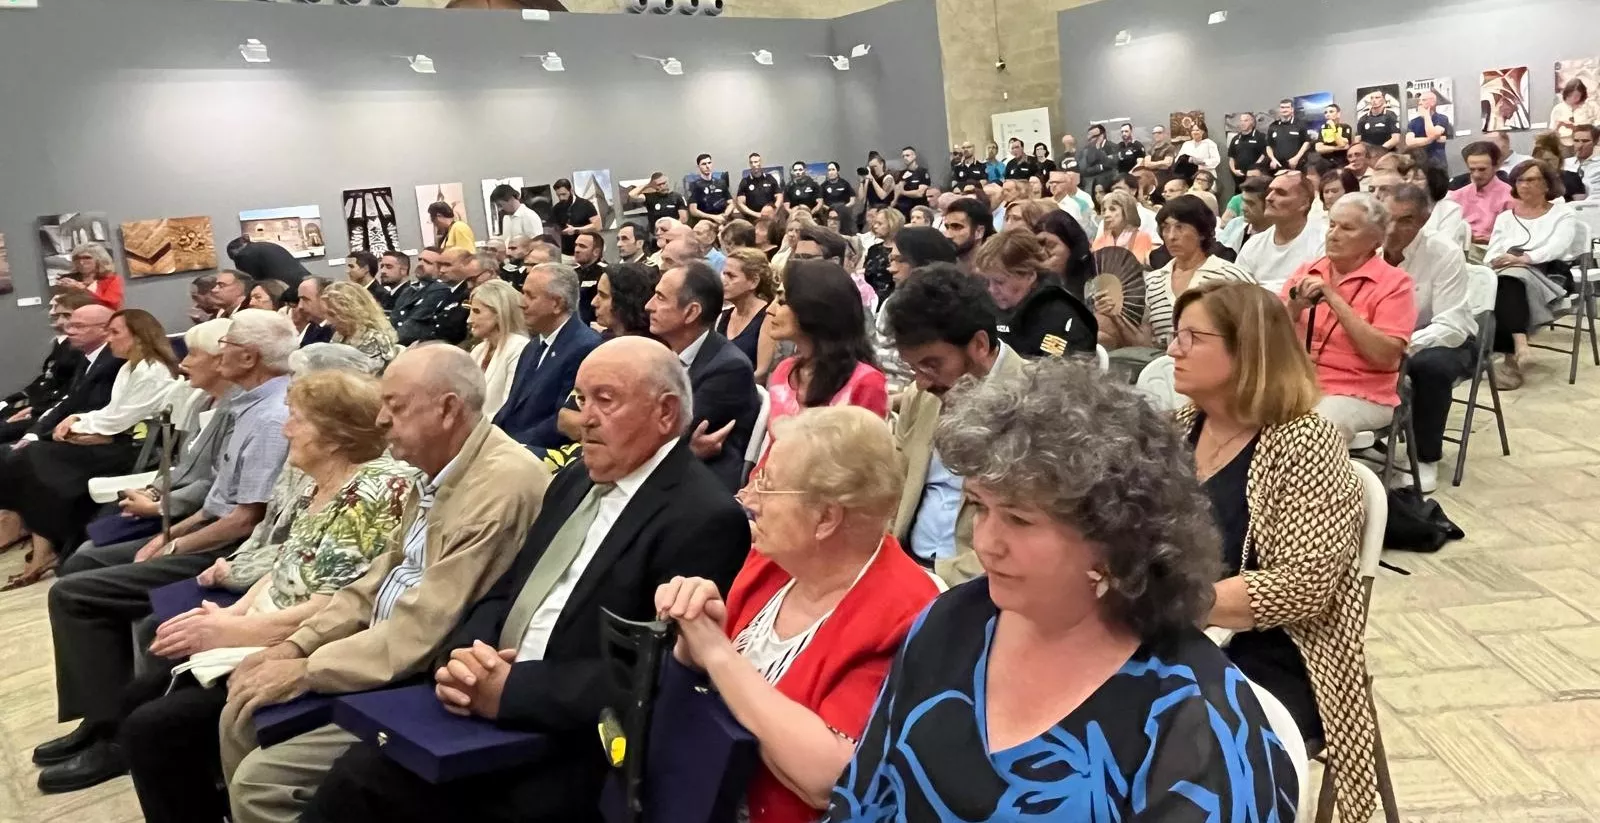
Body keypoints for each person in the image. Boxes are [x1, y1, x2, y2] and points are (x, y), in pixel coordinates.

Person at [826, 357, 1298, 822]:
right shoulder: (950, 621)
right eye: (980, 507)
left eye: (1019, 519)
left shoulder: (1194, 719)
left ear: (1115, 536)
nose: (986, 543)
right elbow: (865, 795)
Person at [301, 337, 750, 823]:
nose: (585, 419)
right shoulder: (576, 479)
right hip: (492, 698)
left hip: (575, 743)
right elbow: (507, 589)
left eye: (606, 400)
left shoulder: (703, 516)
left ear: (665, 414)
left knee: (367, 784)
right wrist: (470, 658)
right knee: (359, 770)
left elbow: (656, 671)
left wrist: (511, 690)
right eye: (580, 400)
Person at [220, 344, 551, 823]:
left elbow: (428, 623)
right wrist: (295, 645)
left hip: (418, 671)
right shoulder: (435, 470)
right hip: (378, 648)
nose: (379, 420)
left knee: (262, 782)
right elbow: (375, 579)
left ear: (448, 410)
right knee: (240, 712)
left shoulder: (503, 483)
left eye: (394, 406)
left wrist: (309, 669)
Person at [108, 371, 419, 816]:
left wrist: (233, 632)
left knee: (151, 725)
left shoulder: (371, 490)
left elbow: (340, 603)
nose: (285, 427)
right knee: (141, 694)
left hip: (313, 642)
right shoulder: (319, 483)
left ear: (333, 436)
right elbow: (284, 565)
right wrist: (233, 617)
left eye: (297, 419)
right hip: (270, 625)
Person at [32, 310, 296, 788]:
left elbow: (244, 519)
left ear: (247, 356)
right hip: (213, 535)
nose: (202, 355)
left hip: (230, 550)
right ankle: (101, 718)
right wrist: (168, 534)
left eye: (223, 344)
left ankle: (112, 732)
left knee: (77, 591)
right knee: (82, 574)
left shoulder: (271, 415)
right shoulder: (249, 406)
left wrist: (176, 544)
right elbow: (219, 497)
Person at [658, 404, 940, 823]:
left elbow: (826, 778)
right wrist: (692, 635)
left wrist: (717, 653)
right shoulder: (772, 562)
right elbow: (701, 680)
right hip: (692, 791)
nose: (748, 498)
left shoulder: (905, 614)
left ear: (825, 517)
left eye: (767, 484)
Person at [1168, 281, 1377, 822]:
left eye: (1193, 337)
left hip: (1277, 650)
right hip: (1177, 632)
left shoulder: (1304, 440)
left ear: (1248, 351)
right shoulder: (1181, 429)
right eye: (1175, 335)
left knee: (1162, 741)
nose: (1173, 349)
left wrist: (1167, 601)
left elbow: (1305, 585)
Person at [0, 310, 179, 587]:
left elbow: (120, 419)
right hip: (118, 439)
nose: (110, 339)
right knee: (26, 459)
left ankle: (45, 548)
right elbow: (112, 412)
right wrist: (79, 422)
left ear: (139, 336)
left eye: (115, 333)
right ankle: (45, 546)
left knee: (33, 458)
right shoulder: (130, 367)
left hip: (133, 449)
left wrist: (78, 422)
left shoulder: (152, 370)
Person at [883, 264, 1019, 582]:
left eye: (932, 364)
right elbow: (893, 488)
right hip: (905, 562)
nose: (921, 382)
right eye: (913, 368)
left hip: (978, 581)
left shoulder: (1038, 407)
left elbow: (1026, 542)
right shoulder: (923, 396)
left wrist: (936, 579)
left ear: (980, 345)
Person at [1282, 194, 1417, 444]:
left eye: (1347, 228)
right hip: (1298, 381)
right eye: (1332, 225)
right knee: (1234, 409)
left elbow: (1386, 358)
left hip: (1361, 393)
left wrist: (1334, 299)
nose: (1333, 234)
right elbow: (1269, 336)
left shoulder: (1395, 284)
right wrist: (1293, 308)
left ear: (1374, 240)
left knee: (1314, 429)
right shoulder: (1307, 271)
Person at [1372, 183, 1476, 492]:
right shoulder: (1368, 249)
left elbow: (1452, 322)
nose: (1393, 229)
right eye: (1387, 218)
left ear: (1424, 219)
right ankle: (1363, 440)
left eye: (1405, 220)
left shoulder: (1443, 252)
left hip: (1441, 339)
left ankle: (1425, 457)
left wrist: (1403, 344)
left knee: (1429, 368)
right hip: (1383, 335)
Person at [645, 261, 760, 490]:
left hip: (699, 485)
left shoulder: (728, 368)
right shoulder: (664, 352)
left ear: (691, 312)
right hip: (669, 468)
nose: (649, 306)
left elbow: (666, 436)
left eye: (660, 297)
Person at [1098, 195, 1254, 351]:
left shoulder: (1230, 277)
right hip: (1165, 367)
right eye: (1165, 228)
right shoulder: (1154, 282)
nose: (1171, 236)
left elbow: (1256, 332)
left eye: (1180, 227)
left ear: (1202, 232)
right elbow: (1147, 347)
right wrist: (1115, 316)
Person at [1486, 159, 1581, 390]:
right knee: (1504, 280)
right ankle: (1519, 345)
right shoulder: (1506, 217)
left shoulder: (1562, 213)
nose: (1524, 185)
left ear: (1547, 184)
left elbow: (1558, 247)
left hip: (1549, 273)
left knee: (1508, 280)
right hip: (1508, 270)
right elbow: (1493, 249)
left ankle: (1510, 358)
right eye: (1519, 180)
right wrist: (1497, 259)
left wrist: (1524, 259)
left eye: (1531, 180)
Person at [766, 260, 888, 429]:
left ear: (812, 308)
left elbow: (865, 453)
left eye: (782, 301)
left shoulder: (865, 382)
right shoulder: (785, 370)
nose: (770, 309)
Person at [493, 263, 603, 450]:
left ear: (557, 304)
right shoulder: (534, 345)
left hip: (539, 454)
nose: (521, 302)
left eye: (530, 296)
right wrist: (491, 436)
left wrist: (511, 447)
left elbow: (561, 421)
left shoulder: (585, 347)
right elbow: (512, 405)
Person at [974, 229, 1096, 358]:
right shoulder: (990, 309)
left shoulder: (1060, 319)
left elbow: (1061, 373)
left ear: (1030, 276)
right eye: (987, 281)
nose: (992, 289)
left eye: (999, 282)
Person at [1, 292, 95, 443]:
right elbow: (46, 379)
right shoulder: (63, 344)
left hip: (56, 411)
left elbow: (69, 390)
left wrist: (35, 410)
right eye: (53, 309)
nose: (51, 312)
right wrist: (13, 400)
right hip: (45, 405)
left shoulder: (82, 350)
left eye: (64, 314)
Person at [1236, 171, 1327, 294]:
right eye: (1269, 192)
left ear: (1304, 203)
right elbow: (1238, 295)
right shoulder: (1253, 245)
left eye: (1280, 193)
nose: (1269, 198)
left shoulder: (1324, 240)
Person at [467, 279, 530, 420]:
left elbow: (508, 407)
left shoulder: (519, 348)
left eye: (477, 312)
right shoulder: (478, 350)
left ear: (499, 313)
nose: (469, 320)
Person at [1448, 141, 1515, 264]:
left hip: (1492, 252)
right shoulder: (1456, 196)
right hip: (1458, 251)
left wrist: (1488, 240)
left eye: (1482, 169)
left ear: (1497, 166)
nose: (1476, 175)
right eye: (1472, 170)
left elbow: (1513, 237)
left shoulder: (1509, 197)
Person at [717, 247, 778, 378]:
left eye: (731, 276)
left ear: (753, 281)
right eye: (724, 274)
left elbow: (762, 372)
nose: (724, 281)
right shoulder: (723, 315)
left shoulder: (767, 317)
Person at [320, 282, 398, 373]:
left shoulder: (375, 340)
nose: (328, 322)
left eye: (332, 314)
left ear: (352, 311)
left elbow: (364, 380)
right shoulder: (340, 336)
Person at [1034, 209, 1097, 299]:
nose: (1042, 252)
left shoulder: (1096, 280)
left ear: (1072, 246)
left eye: (1051, 245)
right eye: (1039, 246)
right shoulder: (1035, 283)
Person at [592, 262, 659, 340]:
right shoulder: (603, 339)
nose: (593, 302)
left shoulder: (646, 348)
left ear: (626, 301)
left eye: (603, 296)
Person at [1091, 189, 1153, 264]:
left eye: (1112, 209)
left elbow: (1135, 267)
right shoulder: (1101, 240)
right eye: (1104, 210)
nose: (1106, 215)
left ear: (1127, 211)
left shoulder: (1141, 237)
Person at [226, 237, 308, 293]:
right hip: (306, 281)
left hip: (287, 288)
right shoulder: (265, 245)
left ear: (234, 252)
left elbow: (250, 282)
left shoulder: (244, 255)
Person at [57, 243, 124, 310]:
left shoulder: (112, 280)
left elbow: (110, 307)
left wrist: (82, 290)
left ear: (100, 259)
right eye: (77, 258)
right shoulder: (68, 280)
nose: (81, 262)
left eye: (87, 258)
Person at [1219, 177, 1272, 253]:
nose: (1243, 207)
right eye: (1243, 201)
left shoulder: (1275, 236)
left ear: (1268, 205)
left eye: (1250, 203)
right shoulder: (1235, 224)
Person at [861, 206, 903, 300]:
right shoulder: (873, 249)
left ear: (893, 225)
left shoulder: (903, 250)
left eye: (880, 224)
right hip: (871, 300)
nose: (875, 226)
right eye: (875, 223)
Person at [1406, 88, 1455, 168]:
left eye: (1424, 100)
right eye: (1420, 100)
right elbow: (1410, 142)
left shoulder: (1442, 118)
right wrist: (1431, 139)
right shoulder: (1413, 122)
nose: (1420, 103)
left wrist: (1426, 115)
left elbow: (1431, 133)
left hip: (1438, 163)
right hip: (1420, 162)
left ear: (1433, 102)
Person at [1534, 131, 1588, 202]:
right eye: (1540, 161)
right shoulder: (1530, 180)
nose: (1545, 165)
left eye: (1548, 160)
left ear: (1559, 158)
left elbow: (1580, 207)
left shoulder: (1571, 178)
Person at [941, 196, 991, 271]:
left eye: (956, 227)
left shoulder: (993, 272)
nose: (947, 235)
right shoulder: (942, 267)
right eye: (947, 227)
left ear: (979, 231)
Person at [572, 229, 610, 326]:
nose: (577, 250)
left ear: (596, 252)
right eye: (576, 245)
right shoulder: (573, 273)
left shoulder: (606, 272)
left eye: (582, 246)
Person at [687, 154, 735, 227]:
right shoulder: (695, 185)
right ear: (698, 167)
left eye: (709, 163)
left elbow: (731, 202)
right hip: (706, 220)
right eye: (704, 164)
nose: (707, 166)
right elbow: (693, 210)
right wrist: (714, 217)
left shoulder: (721, 182)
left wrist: (725, 215)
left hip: (722, 217)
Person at [1551, 78, 1600, 149]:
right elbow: (1552, 131)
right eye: (1571, 95)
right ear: (1567, 94)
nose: (1573, 98)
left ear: (1582, 95)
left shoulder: (1588, 107)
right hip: (1564, 146)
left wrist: (1576, 127)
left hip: (1586, 145)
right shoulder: (1558, 109)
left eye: (1577, 95)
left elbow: (1596, 126)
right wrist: (1559, 126)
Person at [1267, 97, 1313, 171]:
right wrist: (1272, 159)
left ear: (1292, 109)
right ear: (1279, 110)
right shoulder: (1273, 126)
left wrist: (1296, 158)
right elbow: (1268, 146)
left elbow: (1306, 143)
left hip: (1295, 164)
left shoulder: (1300, 124)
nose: (1284, 110)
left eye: (1287, 107)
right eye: (1282, 107)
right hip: (1278, 165)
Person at [737, 153, 782, 220]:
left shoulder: (770, 178)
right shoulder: (745, 181)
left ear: (760, 162)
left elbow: (779, 196)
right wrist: (757, 214)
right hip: (754, 217)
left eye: (756, 162)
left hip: (771, 216)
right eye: (751, 162)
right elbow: (740, 203)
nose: (754, 165)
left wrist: (774, 211)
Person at [1227, 112, 1268, 185]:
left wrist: (1255, 168)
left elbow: (1264, 154)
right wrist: (1234, 170)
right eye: (1241, 121)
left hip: (1254, 176)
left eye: (1246, 120)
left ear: (1252, 122)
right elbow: (1231, 157)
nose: (1242, 123)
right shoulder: (1235, 138)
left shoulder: (1260, 137)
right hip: (1239, 175)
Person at [892, 146, 932, 217]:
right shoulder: (902, 173)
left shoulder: (922, 172)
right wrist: (894, 200)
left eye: (907, 155)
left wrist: (903, 192)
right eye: (903, 156)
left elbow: (920, 193)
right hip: (903, 211)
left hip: (918, 210)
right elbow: (897, 190)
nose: (905, 158)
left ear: (914, 156)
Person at [371, 250, 410, 318]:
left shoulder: (410, 297)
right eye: (382, 266)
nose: (382, 271)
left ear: (403, 270)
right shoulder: (386, 296)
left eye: (389, 267)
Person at [1566, 125, 1600, 201]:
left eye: (1585, 141)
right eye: (1576, 141)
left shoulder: (1598, 165)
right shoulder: (1565, 164)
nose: (1579, 146)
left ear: (1595, 142)